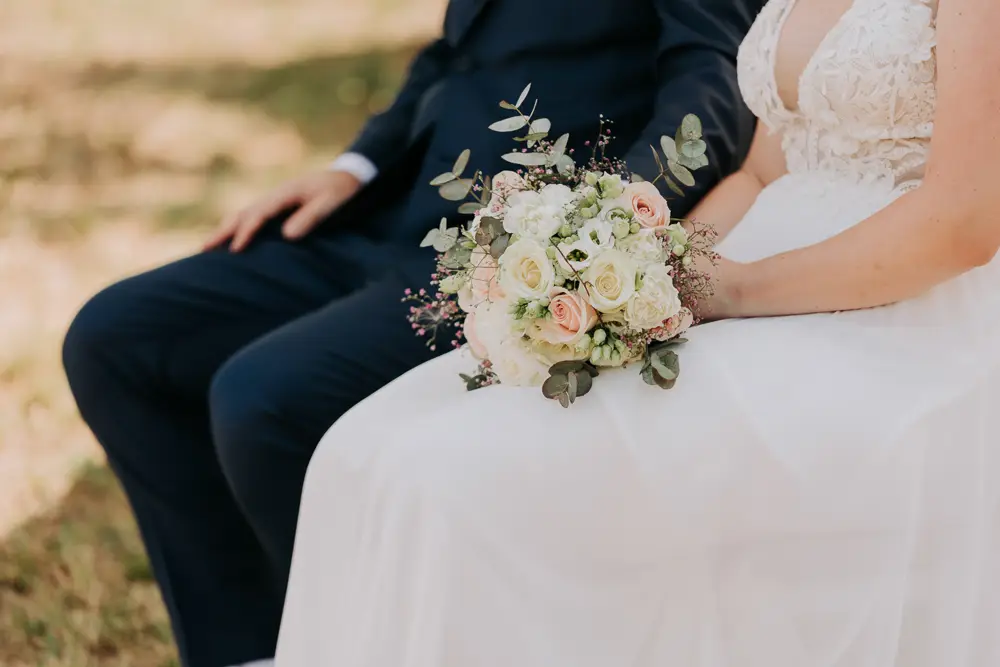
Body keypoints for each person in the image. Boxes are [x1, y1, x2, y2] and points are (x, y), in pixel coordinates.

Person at [275, 0, 1000, 665]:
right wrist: (630, 264)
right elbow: (760, 172)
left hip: (897, 318)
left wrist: (737, 288)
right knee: (365, 450)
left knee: (453, 480)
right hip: (750, 269)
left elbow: (964, 223)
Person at [60, 1, 762, 666]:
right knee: (117, 340)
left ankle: (357, 644)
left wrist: (591, 234)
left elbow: (710, 89)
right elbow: (455, 53)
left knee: (261, 397)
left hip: (509, 261)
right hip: (393, 210)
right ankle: (253, 647)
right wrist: (354, 166)